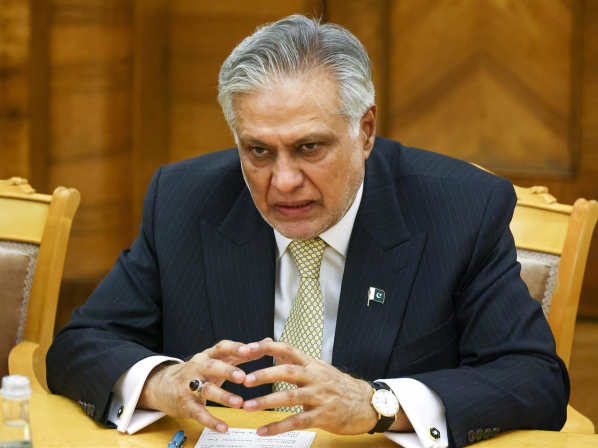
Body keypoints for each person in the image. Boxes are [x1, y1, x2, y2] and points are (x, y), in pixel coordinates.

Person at [46, 14, 569, 448]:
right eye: (259, 151)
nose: (283, 181)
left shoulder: (459, 209)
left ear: (364, 131)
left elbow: (533, 378)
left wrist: (378, 404)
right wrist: (163, 383)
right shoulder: (184, 200)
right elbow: (80, 345)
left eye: (309, 148)